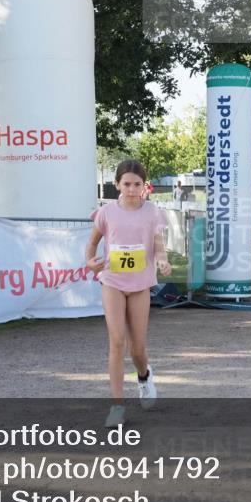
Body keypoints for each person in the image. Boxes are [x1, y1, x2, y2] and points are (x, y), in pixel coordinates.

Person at [86, 160, 171, 428]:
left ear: (143, 186)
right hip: (112, 281)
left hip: (140, 284)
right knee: (117, 342)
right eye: (127, 184)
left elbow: (158, 246)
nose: (132, 189)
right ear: (117, 185)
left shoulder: (152, 212)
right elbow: (92, 243)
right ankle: (117, 407)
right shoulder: (106, 213)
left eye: (137, 184)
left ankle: (144, 377)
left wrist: (162, 261)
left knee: (137, 348)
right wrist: (90, 261)